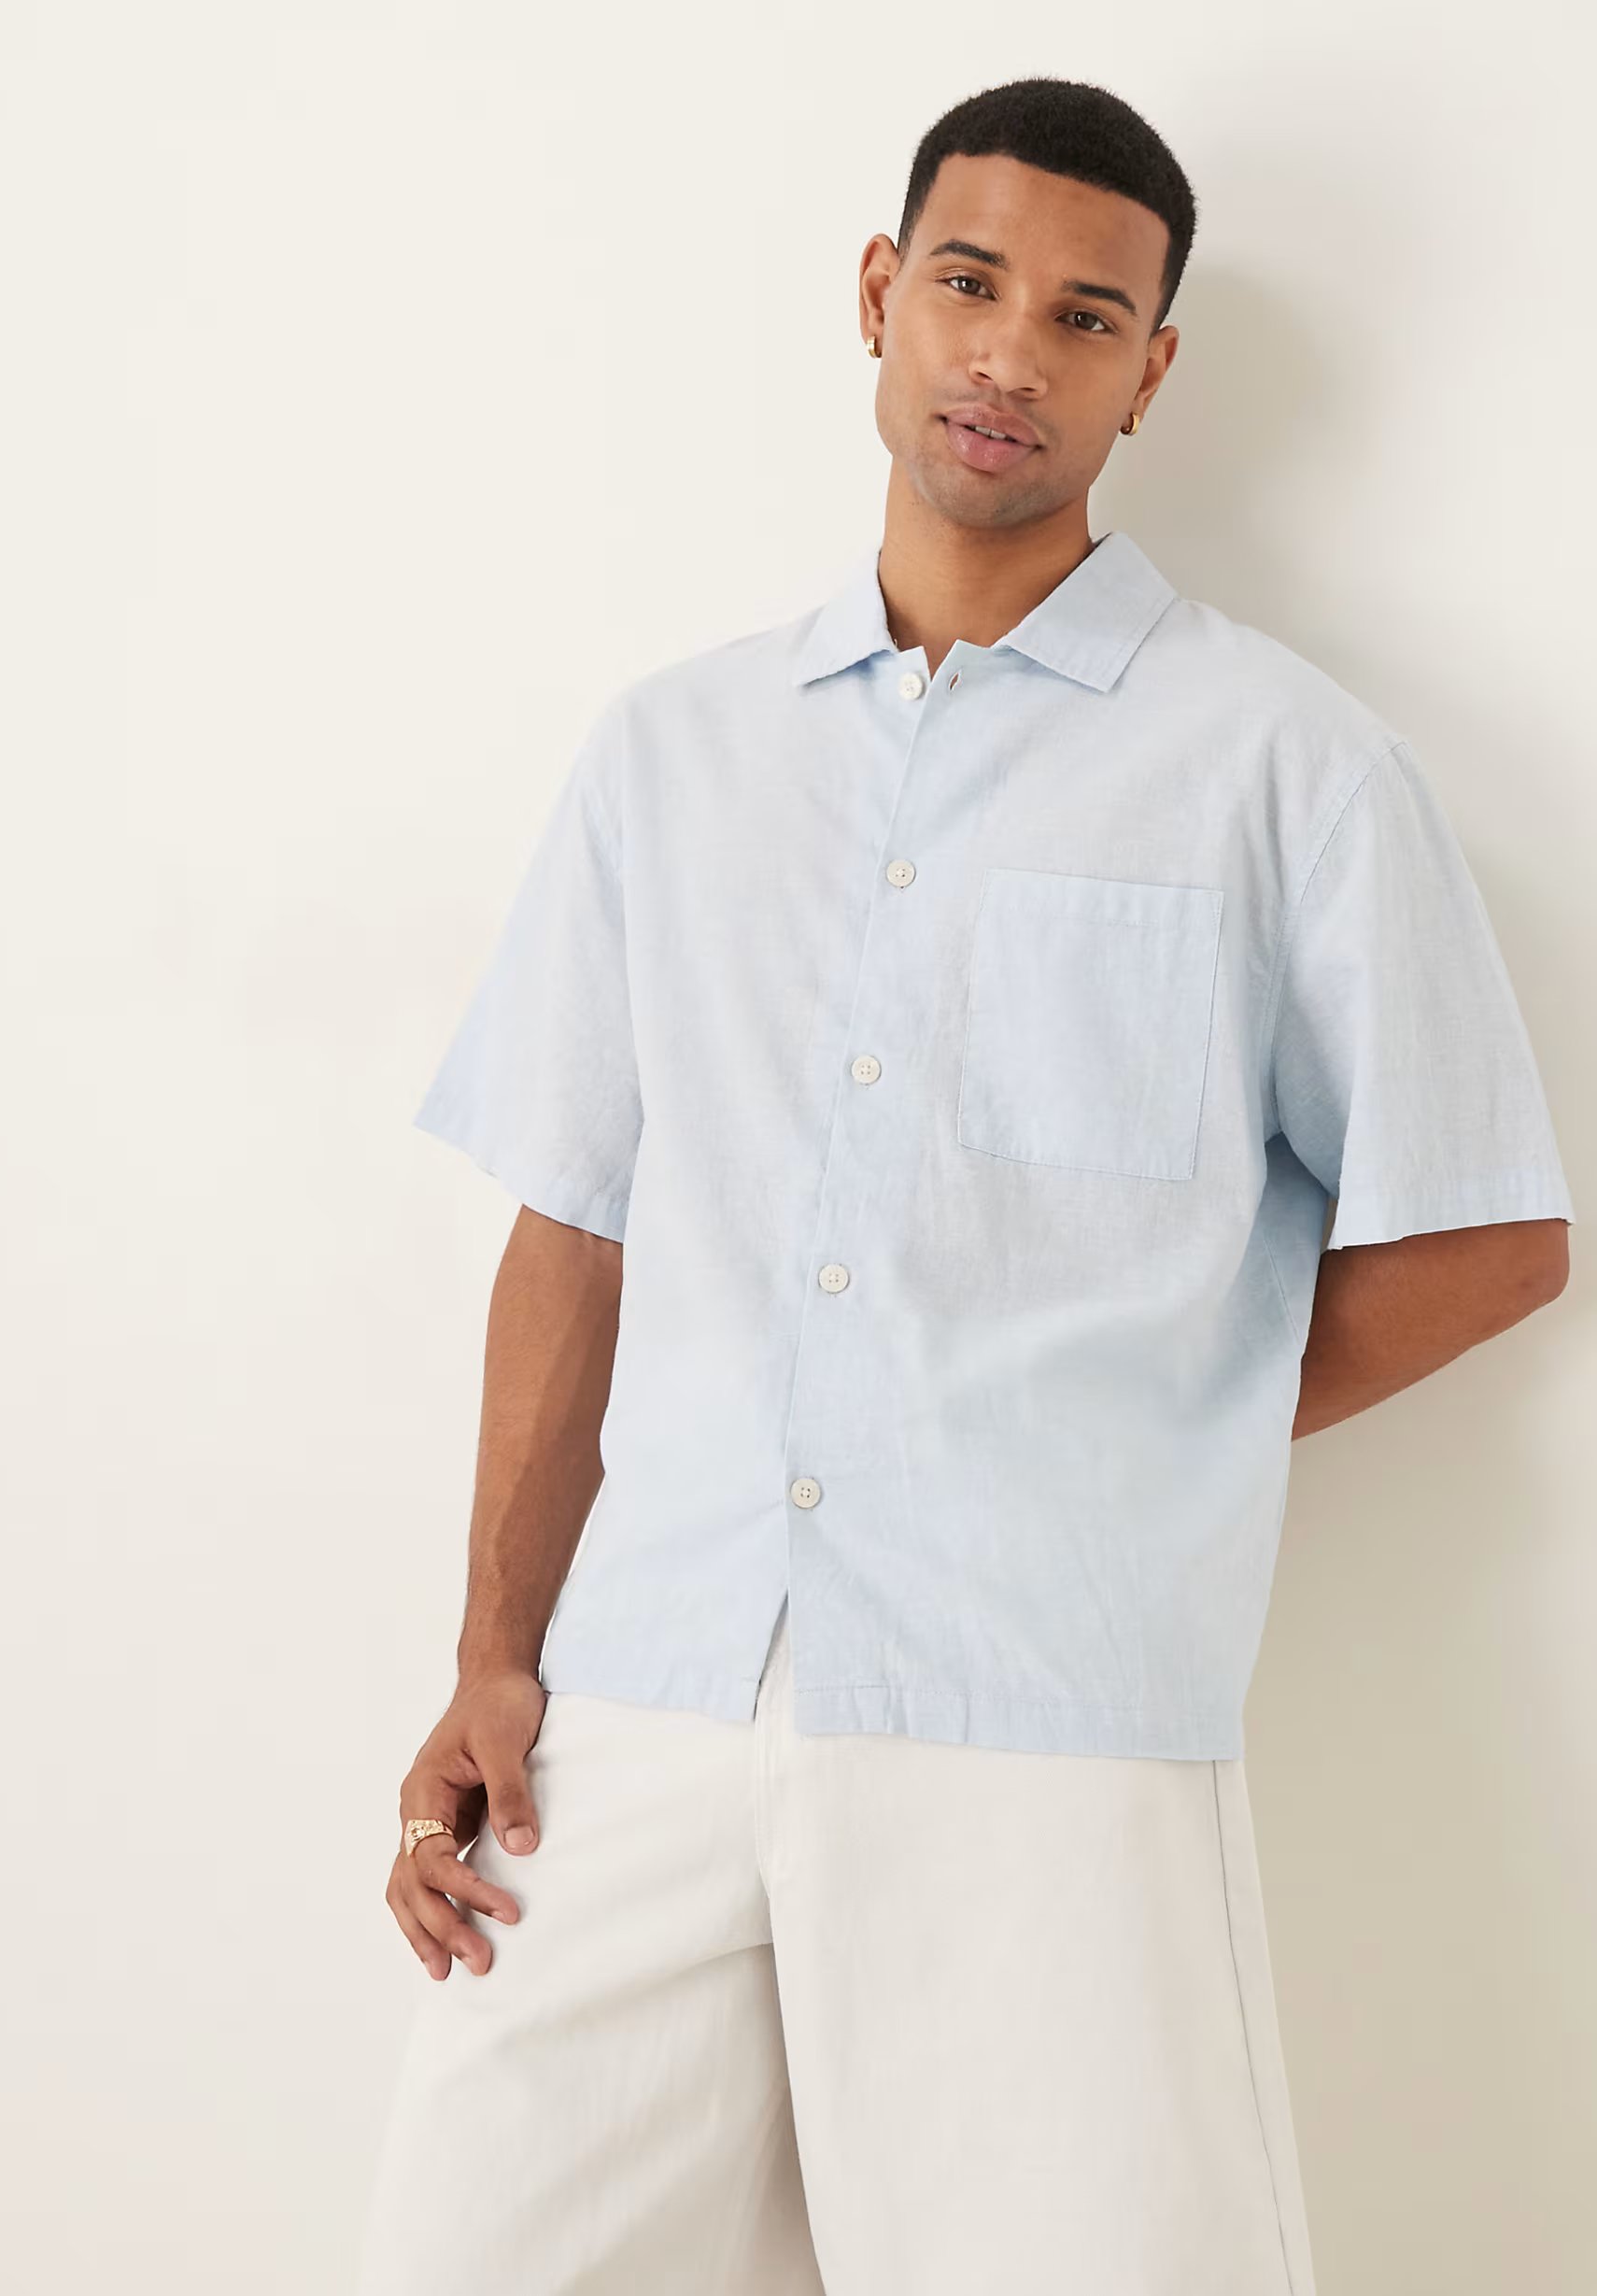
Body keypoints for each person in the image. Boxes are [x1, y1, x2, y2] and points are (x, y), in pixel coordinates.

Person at [355, 75, 1575, 2296]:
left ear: (1152, 372)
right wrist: (491, 1653)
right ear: (878, 294)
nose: (1012, 352)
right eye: (970, 281)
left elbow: (1490, 1234)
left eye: (1085, 317)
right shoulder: (672, 753)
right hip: (649, 1688)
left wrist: (1152, 1420)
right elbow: (575, 1216)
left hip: (1043, 1711)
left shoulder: (1285, 769)